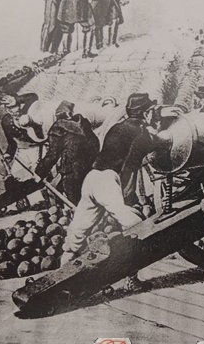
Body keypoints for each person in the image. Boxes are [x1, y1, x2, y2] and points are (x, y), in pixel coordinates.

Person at [62, 93, 159, 292]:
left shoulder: (117, 127)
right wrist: (129, 201)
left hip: (92, 179)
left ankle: (61, 274)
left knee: (78, 231)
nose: (153, 114)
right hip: (108, 181)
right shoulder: (141, 133)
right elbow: (130, 168)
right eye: (150, 110)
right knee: (136, 227)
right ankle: (131, 280)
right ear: (145, 113)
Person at [34, 101, 100, 205]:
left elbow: (53, 155)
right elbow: (95, 145)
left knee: (75, 203)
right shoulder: (84, 126)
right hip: (89, 169)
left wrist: (39, 172)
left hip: (71, 172)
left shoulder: (58, 128)